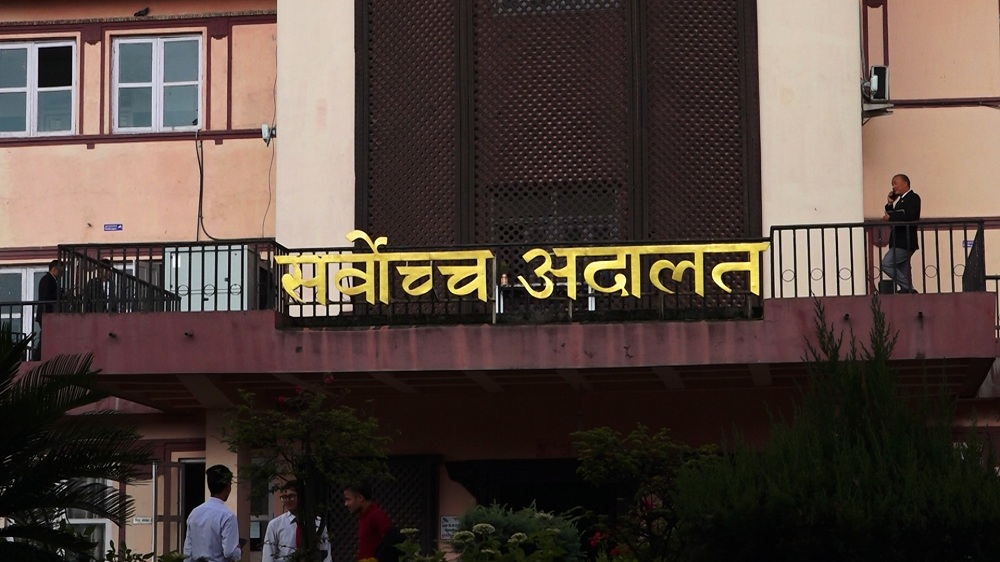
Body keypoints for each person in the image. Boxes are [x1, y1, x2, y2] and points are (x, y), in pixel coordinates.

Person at [184, 465, 243, 562]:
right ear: (228, 487)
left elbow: (187, 551)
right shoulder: (228, 516)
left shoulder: (194, 513)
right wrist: (238, 550)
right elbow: (230, 552)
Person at [262, 480, 332, 562]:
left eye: (291, 496)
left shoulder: (317, 523)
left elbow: (326, 551)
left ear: (301, 497)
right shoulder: (275, 525)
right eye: (284, 497)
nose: (288, 500)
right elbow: (268, 555)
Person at [880, 173, 922, 293]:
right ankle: (907, 291)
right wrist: (889, 204)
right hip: (898, 241)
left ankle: (908, 288)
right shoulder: (900, 201)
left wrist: (891, 218)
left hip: (905, 241)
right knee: (904, 269)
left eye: (895, 183)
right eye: (892, 184)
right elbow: (894, 216)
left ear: (905, 183)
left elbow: (910, 216)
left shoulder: (913, 198)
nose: (893, 187)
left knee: (886, 264)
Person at [344, 484, 394, 561]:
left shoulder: (375, 516)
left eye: (348, 499)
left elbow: (392, 539)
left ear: (360, 498)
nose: (346, 504)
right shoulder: (364, 516)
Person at [32, 259, 64, 360]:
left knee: (46, 337)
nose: (61, 274)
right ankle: (36, 358)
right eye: (60, 271)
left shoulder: (49, 279)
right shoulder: (47, 279)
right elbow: (47, 296)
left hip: (46, 313)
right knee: (45, 337)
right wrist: (61, 295)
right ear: (54, 269)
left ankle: (38, 357)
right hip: (46, 312)